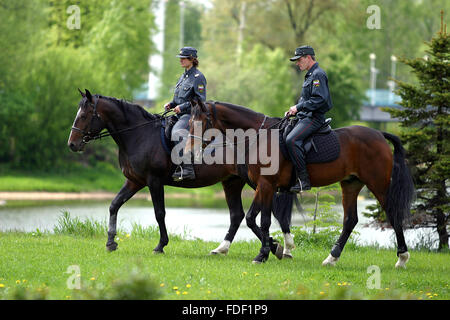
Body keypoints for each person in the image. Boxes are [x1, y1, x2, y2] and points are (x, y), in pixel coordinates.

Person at [285, 45, 333, 192]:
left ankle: (303, 181)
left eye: (299, 60)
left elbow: (320, 99)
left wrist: (299, 108)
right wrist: (295, 109)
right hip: (305, 116)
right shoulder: (310, 75)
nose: (297, 63)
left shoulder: (318, 74)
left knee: (292, 140)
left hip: (314, 118)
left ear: (308, 57)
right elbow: (307, 98)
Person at [164, 47, 207, 181]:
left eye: (184, 58)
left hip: (190, 115)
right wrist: (171, 104)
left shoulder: (198, 77)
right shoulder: (183, 77)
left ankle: (187, 168)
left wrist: (181, 107)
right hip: (178, 114)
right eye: (180, 58)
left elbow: (200, 100)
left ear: (192, 59)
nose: (181, 60)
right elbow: (178, 98)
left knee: (177, 132)